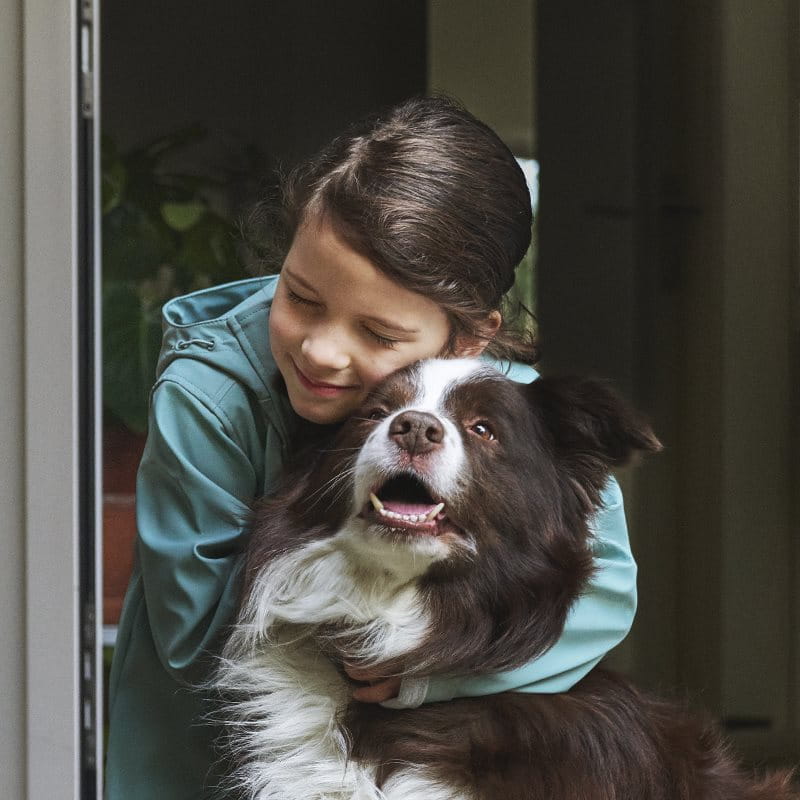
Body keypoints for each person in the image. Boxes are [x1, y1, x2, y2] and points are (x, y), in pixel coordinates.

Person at [105, 96, 637, 799]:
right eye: (298, 297)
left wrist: (425, 674)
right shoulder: (210, 393)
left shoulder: (512, 413)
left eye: (379, 336)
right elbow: (193, 635)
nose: (321, 352)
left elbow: (604, 593)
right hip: (201, 751)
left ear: (470, 337)